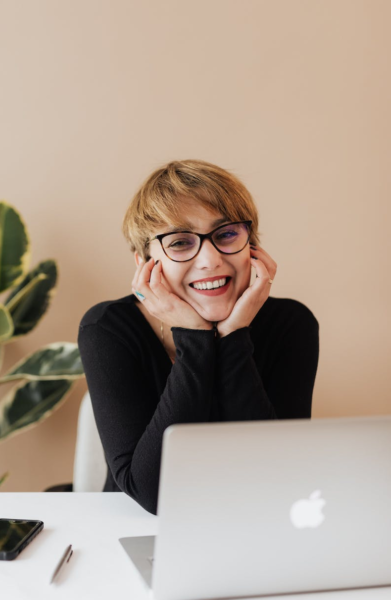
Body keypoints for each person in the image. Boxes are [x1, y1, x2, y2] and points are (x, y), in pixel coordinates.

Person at [77, 159, 319, 515]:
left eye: (225, 235)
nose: (209, 260)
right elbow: (152, 494)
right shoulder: (108, 329)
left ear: (252, 245)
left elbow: (279, 476)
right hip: (135, 530)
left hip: (253, 523)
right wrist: (194, 337)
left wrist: (233, 336)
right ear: (145, 262)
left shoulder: (291, 323)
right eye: (179, 242)